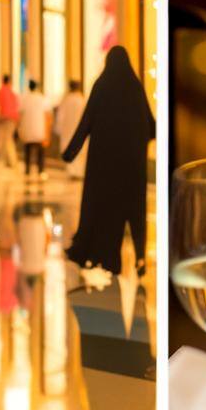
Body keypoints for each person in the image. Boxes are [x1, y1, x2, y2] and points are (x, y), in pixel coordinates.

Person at [64, 46, 154, 275]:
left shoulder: (102, 86)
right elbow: (152, 127)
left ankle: (105, 256)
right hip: (132, 168)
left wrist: (69, 153)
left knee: (103, 210)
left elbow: (86, 123)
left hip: (104, 169)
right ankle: (140, 257)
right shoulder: (135, 88)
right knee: (135, 212)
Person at [19, 79, 50, 180]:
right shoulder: (42, 98)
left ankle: (27, 169)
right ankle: (41, 170)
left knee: (27, 150)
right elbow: (47, 116)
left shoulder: (24, 98)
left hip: (27, 128)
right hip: (39, 128)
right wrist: (47, 133)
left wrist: (20, 129)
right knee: (40, 152)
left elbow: (20, 114)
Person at [56, 80, 87, 179]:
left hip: (67, 130)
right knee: (80, 150)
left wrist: (59, 129)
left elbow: (60, 117)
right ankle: (79, 172)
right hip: (79, 130)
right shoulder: (82, 100)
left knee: (69, 147)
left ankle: (72, 171)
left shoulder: (65, 100)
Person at [0, 73, 20, 168]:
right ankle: (11, 160)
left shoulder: (0, 91)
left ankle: (8, 161)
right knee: (9, 139)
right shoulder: (13, 93)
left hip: (2, 119)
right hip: (12, 120)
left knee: (2, 140)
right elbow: (17, 108)